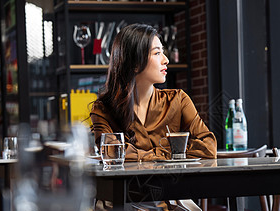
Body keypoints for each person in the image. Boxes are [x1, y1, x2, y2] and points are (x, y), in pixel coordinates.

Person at [90, 23, 217, 161]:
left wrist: (144, 154)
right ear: (135, 64)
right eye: (157, 53)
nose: (166, 60)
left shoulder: (178, 100)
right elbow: (110, 153)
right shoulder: (103, 109)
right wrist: (172, 152)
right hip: (127, 183)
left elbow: (209, 148)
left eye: (163, 52)